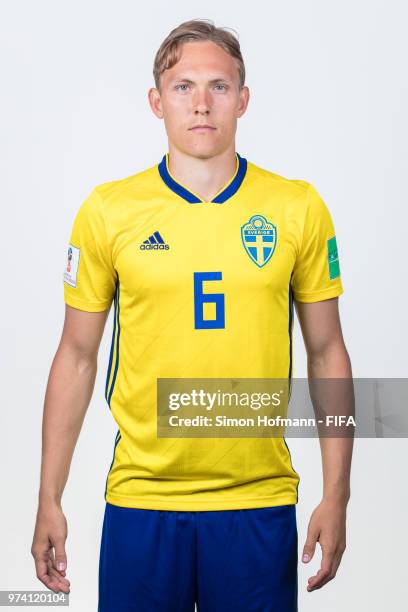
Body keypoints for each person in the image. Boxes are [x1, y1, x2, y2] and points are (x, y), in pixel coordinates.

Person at [31, 18, 353, 612]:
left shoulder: (296, 207)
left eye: (219, 86)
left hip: (258, 501)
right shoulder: (109, 211)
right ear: (157, 102)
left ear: (244, 99)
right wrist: (48, 495)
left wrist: (338, 494)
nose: (202, 104)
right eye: (183, 87)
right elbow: (76, 356)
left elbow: (327, 351)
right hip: (143, 500)